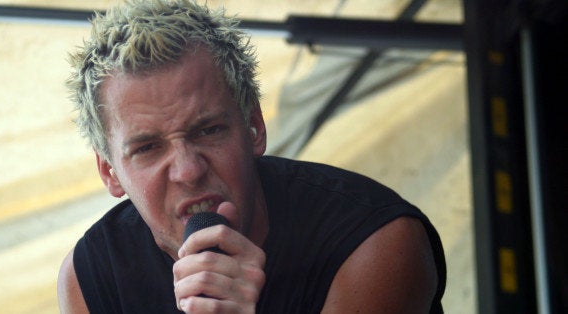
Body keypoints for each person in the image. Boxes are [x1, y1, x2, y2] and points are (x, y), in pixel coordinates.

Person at [57, 0, 446, 313]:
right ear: (109, 172)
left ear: (254, 127)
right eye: (147, 148)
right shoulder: (91, 277)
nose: (189, 170)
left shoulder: (371, 243)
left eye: (208, 130)